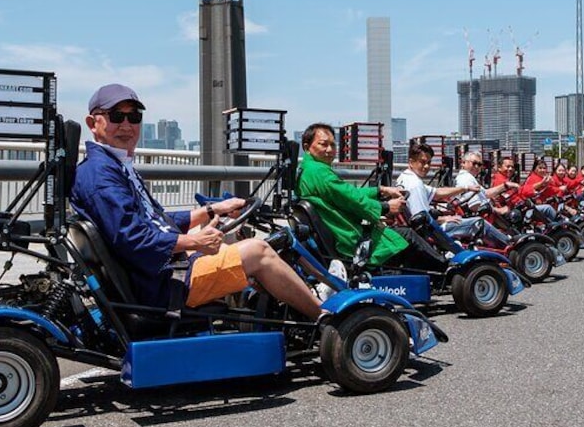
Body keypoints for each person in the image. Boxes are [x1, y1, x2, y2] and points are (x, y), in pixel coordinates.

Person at [70, 83, 324, 320]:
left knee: (235, 245)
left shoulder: (114, 166)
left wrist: (212, 210)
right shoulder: (100, 176)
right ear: (93, 123)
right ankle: (327, 320)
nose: (127, 125)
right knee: (259, 251)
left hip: (159, 272)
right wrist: (194, 241)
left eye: (134, 117)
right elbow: (132, 238)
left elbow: (157, 222)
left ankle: (283, 306)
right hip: (161, 285)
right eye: (117, 116)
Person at [296, 123, 449, 273]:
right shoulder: (320, 173)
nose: (330, 150)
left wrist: (380, 190)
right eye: (323, 145)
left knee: (402, 235)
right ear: (307, 147)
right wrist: (386, 207)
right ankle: (447, 271)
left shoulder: (308, 170)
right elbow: (352, 199)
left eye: (332, 145)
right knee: (407, 236)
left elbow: (346, 193)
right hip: (350, 240)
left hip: (339, 234)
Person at [395, 143, 508, 247]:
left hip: (423, 228)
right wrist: (444, 219)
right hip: (431, 232)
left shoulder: (405, 178)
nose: (426, 167)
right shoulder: (415, 185)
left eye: (428, 163)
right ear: (411, 162)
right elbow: (421, 219)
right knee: (479, 223)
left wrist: (465, 188)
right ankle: (510, 246)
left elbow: (437, 192)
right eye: (422, 162)